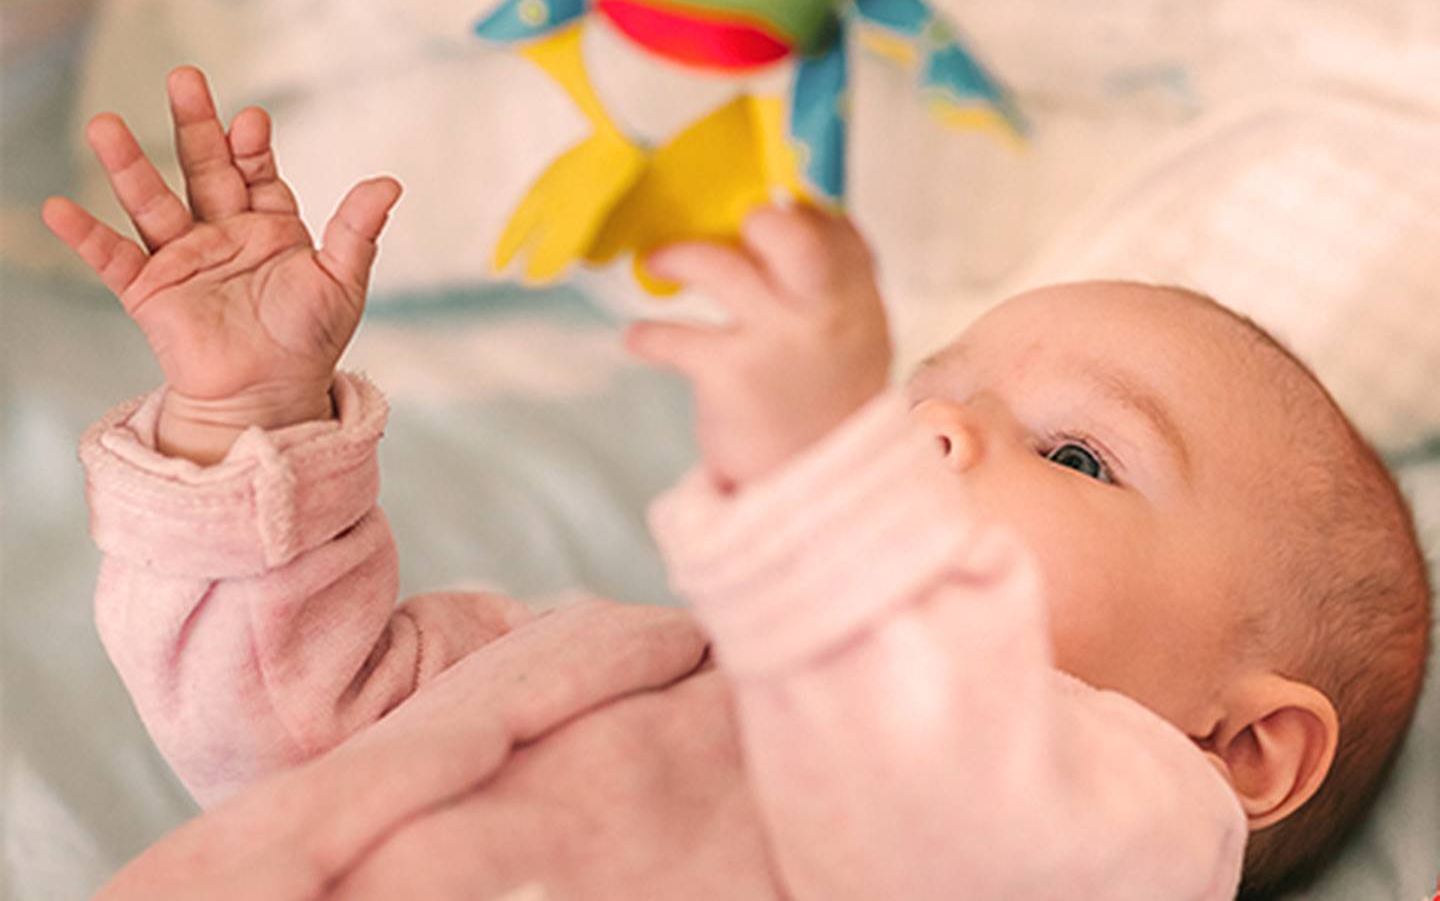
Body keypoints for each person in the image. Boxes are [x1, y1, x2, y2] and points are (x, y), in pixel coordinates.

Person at [45, 68, 1431, 899]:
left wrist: (821, 473)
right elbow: (278, 733)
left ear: (1240, 749)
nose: (932, 434)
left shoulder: (1120, 828)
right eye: (923, 394)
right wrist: (248, 421)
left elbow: (920, 786)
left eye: (1078, 454)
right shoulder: (584, 660)